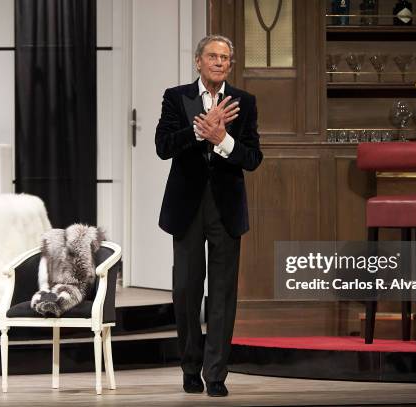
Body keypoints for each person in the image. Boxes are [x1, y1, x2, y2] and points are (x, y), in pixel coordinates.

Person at [155, 34, 263, 397]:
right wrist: (201, 130)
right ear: (198, 61)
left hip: (225, 208)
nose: (219, 62)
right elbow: (163, 146)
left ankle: (215, 374)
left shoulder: (244, 103)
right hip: (186, 207)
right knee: (186, 290)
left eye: (225, 58)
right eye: (213, 56)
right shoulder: (176, 97)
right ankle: (190, 366)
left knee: (222, 294)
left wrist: (223, 139)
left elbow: (252, 158)